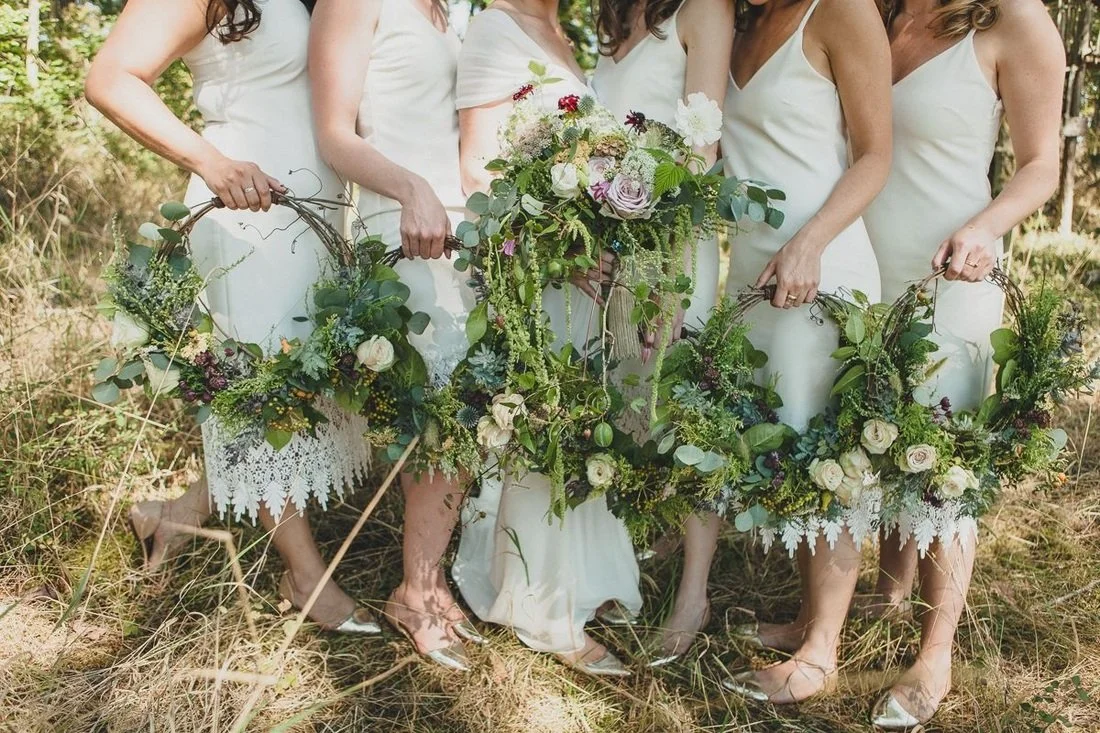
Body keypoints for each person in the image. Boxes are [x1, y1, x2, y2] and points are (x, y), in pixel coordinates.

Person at [85, 0, 378, 633]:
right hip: (248, 215)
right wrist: (210, 163)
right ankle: (304, 577)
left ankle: (172, 516)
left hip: (315, 214)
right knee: (261, 395)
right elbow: (109, 77)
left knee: (301, 387)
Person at [860, 0, 1064, 726]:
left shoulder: (1014, 19)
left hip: (952, 267)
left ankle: (935, 651)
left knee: (943, 455)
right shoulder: (876, 13)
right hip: (861, 262)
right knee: (877, 425)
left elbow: (1042, 164)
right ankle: (887, 589)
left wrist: (985, 225)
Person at [450, 0, 643, 677]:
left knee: (579, 415)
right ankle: (542, 602)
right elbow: (477, 170)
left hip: (582, 273)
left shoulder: (561, 32)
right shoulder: (493, 25)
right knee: (544, 415)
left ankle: (586, 575)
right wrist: (557, 249)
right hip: (538, 267)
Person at [717, 0, 893, 703]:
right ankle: (805, 617)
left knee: (831, 455)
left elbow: (877, 152)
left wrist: (810, 242)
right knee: (787, 442)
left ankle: (823, 650)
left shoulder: (843, 11)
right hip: (756, 272)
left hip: (822, 267)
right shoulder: (739, 18)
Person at [309, 0, 486, 671]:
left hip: (466, 233)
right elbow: (333, 133)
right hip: (403, 229)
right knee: (436, 419)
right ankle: (414, 590)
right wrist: (411, 189)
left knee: (463, 414)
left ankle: (429, 580)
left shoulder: (452, 9)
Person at [590, 0, 734, 665]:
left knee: (681, 410)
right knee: (628, 400)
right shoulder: (617, 14)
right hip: (616, 249)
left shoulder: (703, 10)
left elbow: (700, 154)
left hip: (672, 250)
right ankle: (637, 549)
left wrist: (671, 281)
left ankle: (694, 596)